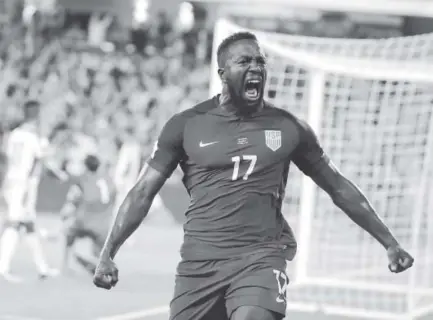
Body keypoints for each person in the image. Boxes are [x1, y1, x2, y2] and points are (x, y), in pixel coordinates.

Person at [93, 32, 414, 320]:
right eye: (244, 61)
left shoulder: (289, 128)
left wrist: (389, 242)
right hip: (199, 264)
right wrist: (108, 253)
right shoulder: (186, 125)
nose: (256, 67)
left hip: (261, 258)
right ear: (222, 73)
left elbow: (338, 187)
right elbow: (142, 192)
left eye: (260, 61)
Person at [0, 100, 60, 282]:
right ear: (36, 115)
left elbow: (7, 158)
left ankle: (42, 268)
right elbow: (41, 161)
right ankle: (2, 267)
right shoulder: (33, 138)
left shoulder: (14, 135)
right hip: (23, 184)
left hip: (11, 180)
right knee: (14, 223)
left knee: (29, 225)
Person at [61, 155, 114, 275]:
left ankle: (68, 263)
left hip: (85, 221)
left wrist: (65, 213)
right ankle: (99, 262)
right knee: (100, 248)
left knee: (68, 232)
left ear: (85, 167)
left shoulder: (84, 179)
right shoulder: (108, 179)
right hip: (105, 226)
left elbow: (73, 198)